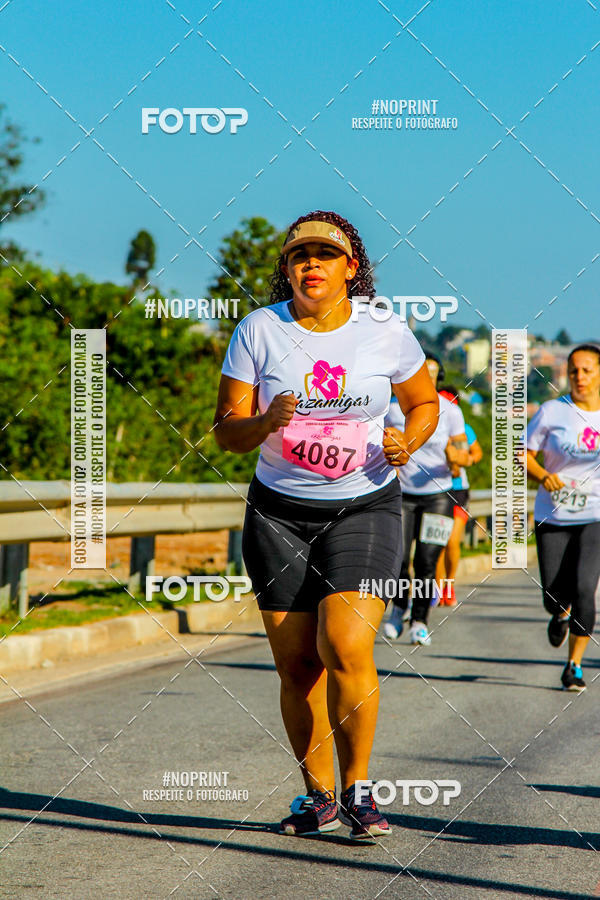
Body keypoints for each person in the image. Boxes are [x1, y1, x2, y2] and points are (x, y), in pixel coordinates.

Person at [213, 211, 439, 839]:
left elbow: (423, 401)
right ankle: (317, 798)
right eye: (299, 255)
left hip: (363, 506)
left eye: (325, 254)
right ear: (286, 268)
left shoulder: (383, 329)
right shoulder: (259, 330)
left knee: (344, 645)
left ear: (351, 268)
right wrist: (264, 421)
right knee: (296, 667)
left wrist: (408, 440)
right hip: (278, 512)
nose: (311, 264)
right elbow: (227, 431)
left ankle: (359, 789)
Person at [526, 343, 600, 692]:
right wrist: (543, 475)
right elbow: (523, 455)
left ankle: (574, 665)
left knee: (586, 588)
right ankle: (559, 612)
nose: (580, 377)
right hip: (553, 512)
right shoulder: (552, 411)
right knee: (554, 593)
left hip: (595, 514)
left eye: (587, 370)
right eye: (574, 370)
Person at [383, 355, 471, 644]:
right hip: (401, 494)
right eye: (424, 372)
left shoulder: (450, 410)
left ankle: (420, 620)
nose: (429, 378)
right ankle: (399, 608)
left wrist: (454, 455)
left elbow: (464, 456)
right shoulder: (391, 408)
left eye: (434, 374)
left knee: (427, 560)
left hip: (438, 496)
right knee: (397, 558)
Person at [435, 386, 483, 606]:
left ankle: (448, 585)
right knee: (436, 542)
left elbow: (473, 453)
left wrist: (461, 461)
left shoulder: (462, 429)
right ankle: (434, 587)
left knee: (452, 541)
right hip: (433, 489)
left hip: (457, 490)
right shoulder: (427, 425)